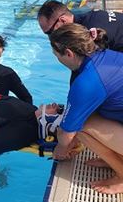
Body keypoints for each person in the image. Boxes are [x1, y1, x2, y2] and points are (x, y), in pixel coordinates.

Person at [49, 23, 123, 194]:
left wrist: (60, 151)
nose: (57, 59)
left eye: (56, 55)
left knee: (80, 128)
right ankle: (116, 157)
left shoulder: (87, 83)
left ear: (68, 53)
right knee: (87, 116)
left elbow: (67, 135)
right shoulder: (108, 56)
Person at [37, 0, 123, 84]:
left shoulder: (87, 35)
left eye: (50, 32)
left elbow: (82, 74)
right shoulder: (90, 17)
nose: (50, 38)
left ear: (63, 20)